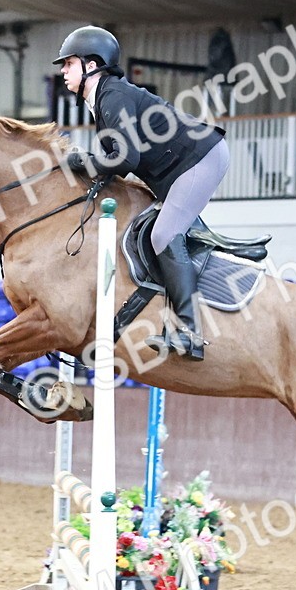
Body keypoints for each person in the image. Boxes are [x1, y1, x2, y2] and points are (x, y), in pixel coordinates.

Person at [54, 25, 229, 361]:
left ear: (91, 65)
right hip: (181, 167)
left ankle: (190, 334)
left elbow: (125, 158)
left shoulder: (112, 96)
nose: (63, 70)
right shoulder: (104, 97)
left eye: (68, 64)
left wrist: (81, 160)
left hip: (201, 158)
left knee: (164, 233)